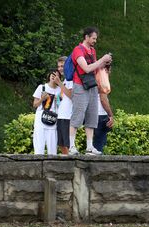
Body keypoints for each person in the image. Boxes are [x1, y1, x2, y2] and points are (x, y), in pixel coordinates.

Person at [69, 26, 112, 156]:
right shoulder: (78, 50)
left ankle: (89, 147)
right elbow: (86, 68)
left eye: (96, 39)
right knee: (78, 115)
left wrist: (105, 64)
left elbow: (95, 68)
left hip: (92, 85)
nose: (95, 41)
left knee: (92, 116)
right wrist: (101, 60)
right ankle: (71, 146)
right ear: (86, 37)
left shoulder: (92, 51)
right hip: (80, 85)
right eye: (93, 38)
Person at [32, 70, 62, 155]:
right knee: (39, 146)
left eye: (56, 75)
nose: (53, 76)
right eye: (52, 74)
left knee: (52, 149)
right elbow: (35, 104)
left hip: (53, 120)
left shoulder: (60, 90)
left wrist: (58, 100)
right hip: (40, 120)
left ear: (59, 78)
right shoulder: (42, 87)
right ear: (49, 76)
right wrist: (42, 99)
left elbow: (61, 106)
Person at [93, 65, 114, 152]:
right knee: (98, 147)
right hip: (101, 115)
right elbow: (103, 100)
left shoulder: (94, 77)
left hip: (92, 114)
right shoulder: (102, 78)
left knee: (93, 146)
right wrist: (111, 115)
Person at [56, 56, 73, 155]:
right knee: (61, 143)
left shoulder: (71, 79)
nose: (60, 68)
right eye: (58, 66)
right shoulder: (66, 80)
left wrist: (59, 83)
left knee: (68, 144)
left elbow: (71, 95)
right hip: (61, 115)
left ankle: (72, 164)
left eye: (62, 66)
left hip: (68, 116)